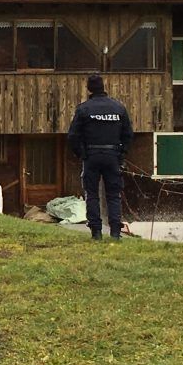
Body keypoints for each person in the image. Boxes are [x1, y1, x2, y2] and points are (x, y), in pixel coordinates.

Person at [67, 74, 134, 240]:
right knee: (113, 194)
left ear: (89, 88)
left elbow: (73, 136)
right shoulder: (118, 108)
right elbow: (128, 134)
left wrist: (81, 154)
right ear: (103, 87)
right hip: (112, 156)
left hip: (91, 155)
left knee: (92, 194)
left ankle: (96, 232)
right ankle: (115, 233)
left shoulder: (84, 109)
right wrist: (121, 153)